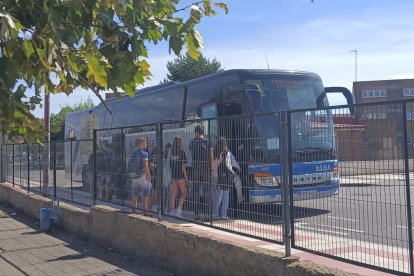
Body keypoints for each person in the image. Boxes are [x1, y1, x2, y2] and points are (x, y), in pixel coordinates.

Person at [189, 125, 214, 221]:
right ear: (203, 132)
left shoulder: (192, 142)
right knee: (207, 191)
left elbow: (191, 155)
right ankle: (207, 214)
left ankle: (196, 214)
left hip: (195, 168)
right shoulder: (208, 142)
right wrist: (212, 170)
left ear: (196, 132)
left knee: (195, 190)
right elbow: (211, 157)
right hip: (206, 168)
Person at [214, 137, 243, 219]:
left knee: (218, 196)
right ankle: (224, 214)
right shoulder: (227, 153)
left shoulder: (214, 152)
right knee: (225, 196)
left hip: (217, 176)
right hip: (226, 176)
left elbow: (214, 163)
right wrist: (238, 170)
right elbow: (233, 163)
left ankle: (215, 213)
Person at [128, 137, 152, 216]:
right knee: (145, 195)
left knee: (134, 195)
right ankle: (146, 213)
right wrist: (148, 176)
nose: (146, 144)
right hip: (142, 176)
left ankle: (134, 211)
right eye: (145, 143)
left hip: (134, 175)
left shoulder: (134, 152)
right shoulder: (144, 153)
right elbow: (145, 166)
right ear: (141, 144)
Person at [169, 137, 188, 218]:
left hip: (173, 175)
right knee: (184, 193)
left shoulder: (171, 152)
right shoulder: (181, 152)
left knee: (173, 194)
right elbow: (183, 166)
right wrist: (186, 176)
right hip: (180, 175)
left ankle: (172, 212)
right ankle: (179, 211)